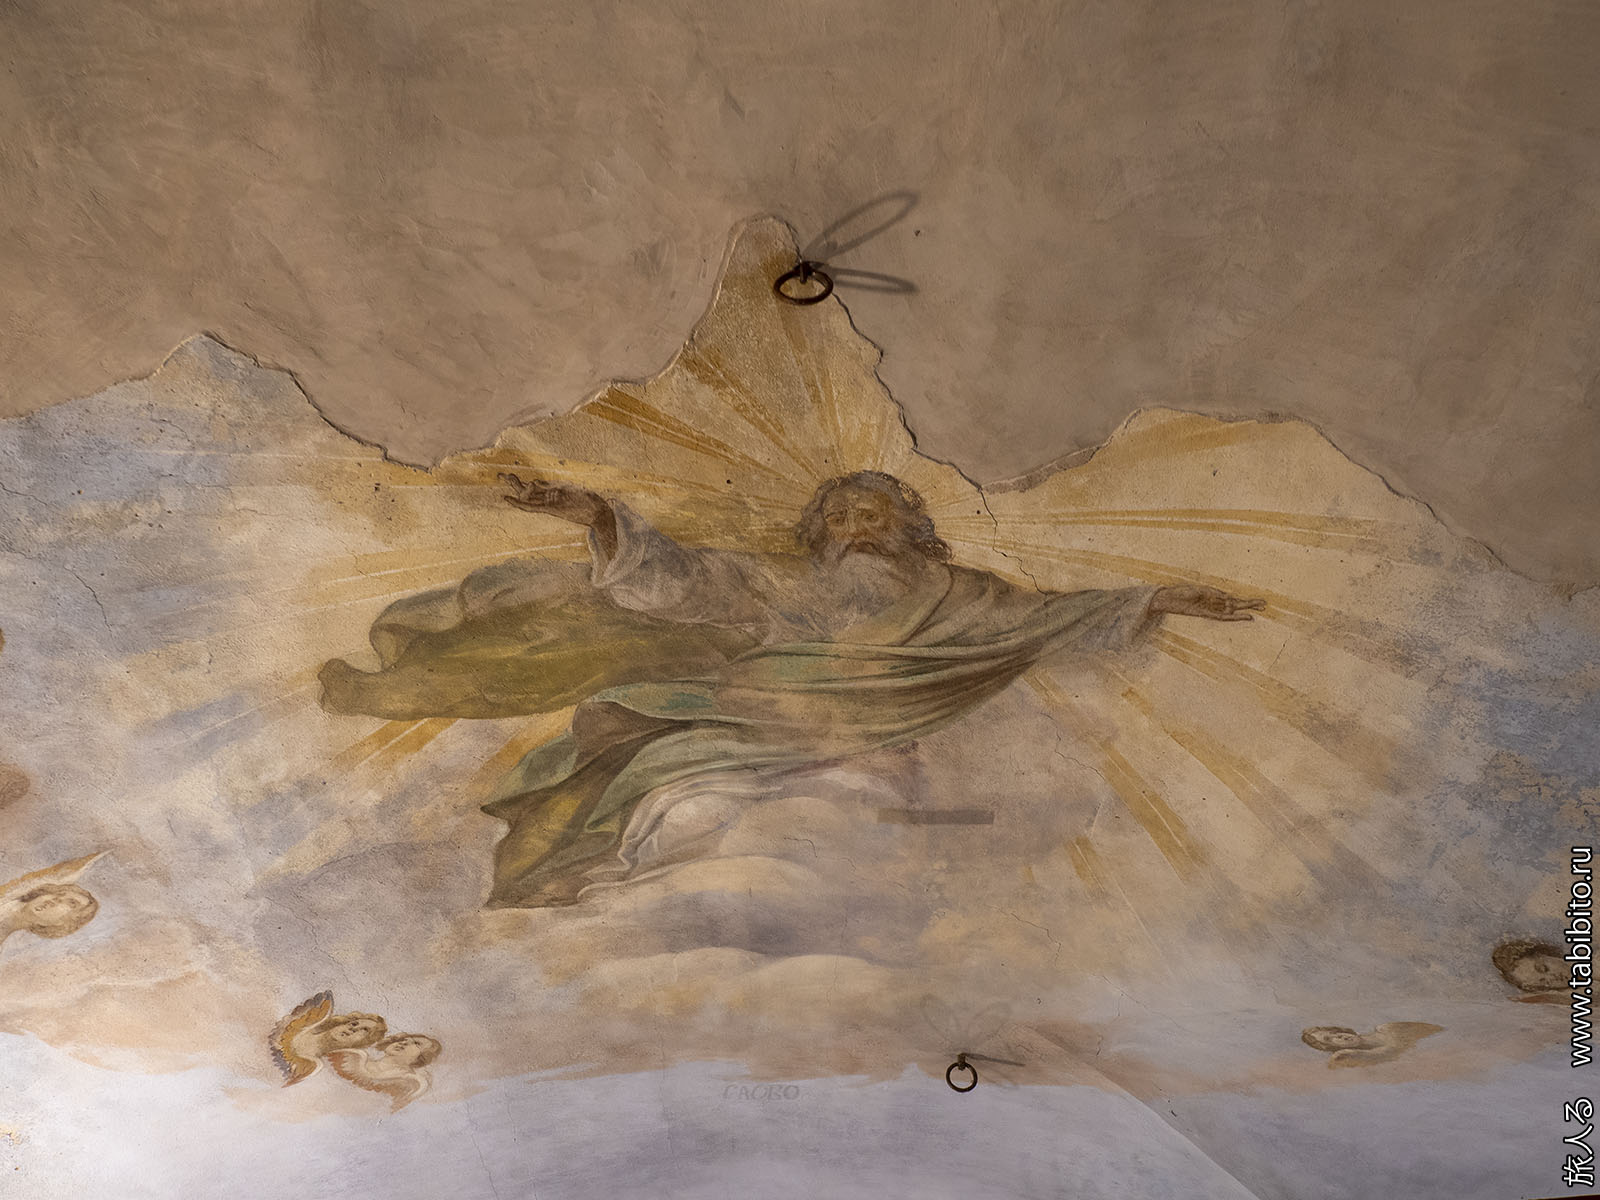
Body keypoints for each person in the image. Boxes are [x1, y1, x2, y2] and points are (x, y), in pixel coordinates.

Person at [321, 471, 1262, 907]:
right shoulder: (781, 583)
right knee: (681, 795)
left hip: (874, 740)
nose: (855, 524)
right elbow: (683, 579)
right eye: (839, 514)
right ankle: (623, 885)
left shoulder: (970, 597)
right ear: (819, 534)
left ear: (912, 528)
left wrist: (1158, 598)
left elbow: (1050, 617)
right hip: (753, 721)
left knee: (853, 837)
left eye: (874, 512)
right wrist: (599, 513)